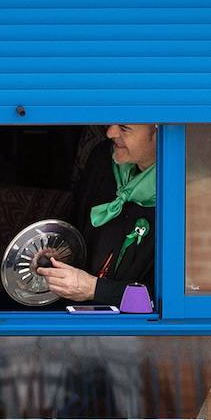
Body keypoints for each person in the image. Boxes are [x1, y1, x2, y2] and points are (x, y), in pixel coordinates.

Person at [37, 124, 158, 307]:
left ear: (159, 133)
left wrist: (94, 289)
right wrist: (62, 254)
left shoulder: (190, 193)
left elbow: (165, 302)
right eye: (112, 122)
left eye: (124, 128)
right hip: (74, 309)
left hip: (136, 329)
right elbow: (78, 221)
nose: (110, 133)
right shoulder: (103, 158)